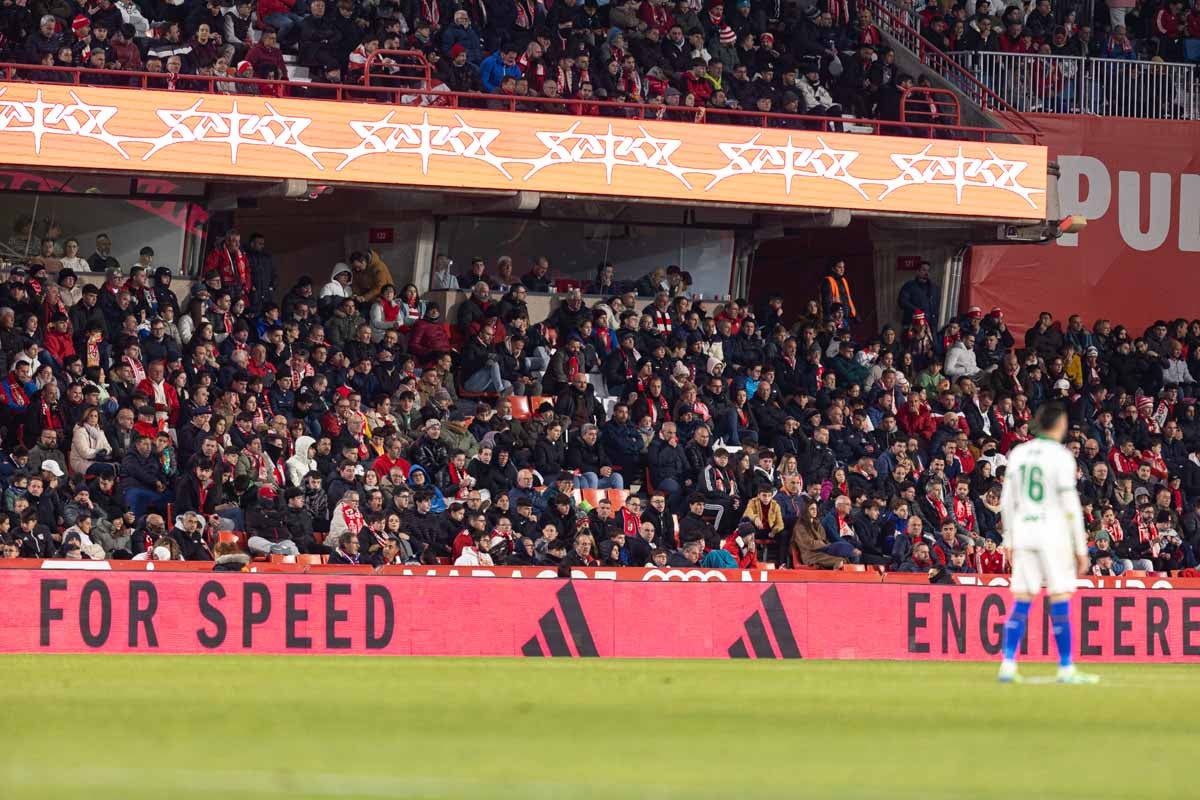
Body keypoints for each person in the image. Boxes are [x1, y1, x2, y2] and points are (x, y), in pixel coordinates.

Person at [997, 404, 1098, 685]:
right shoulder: (1062, 456)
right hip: (1053, 534)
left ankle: (1007, 664)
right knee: (1059, 597)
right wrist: (1080, 547)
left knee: (1023, 598)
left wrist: (1008, 538)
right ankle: (1065, 668)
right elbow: (1070, 504)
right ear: (1061, 424)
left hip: (1025, 532)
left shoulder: (1018, 453)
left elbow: (1007, 500)